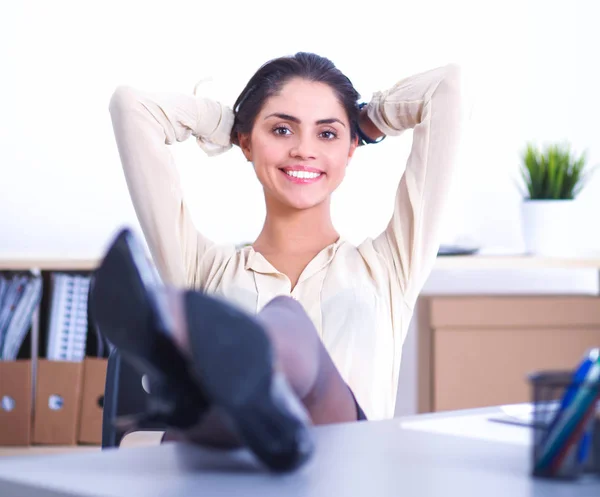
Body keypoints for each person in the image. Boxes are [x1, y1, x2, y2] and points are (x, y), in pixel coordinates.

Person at [94, 52, 463, 471]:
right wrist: (229, 126)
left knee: (285, 318)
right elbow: (132, 108)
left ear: (350, 150)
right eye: (282, 129)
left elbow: (445, 88)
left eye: (327, 134)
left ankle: (205, 387)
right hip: (238, 479)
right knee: (263, 334)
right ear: (249, 143)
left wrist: (368, 119)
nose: (304, 149)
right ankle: (219, 402)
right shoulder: (205, 270)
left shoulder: (390, 266)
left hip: (348, 477)